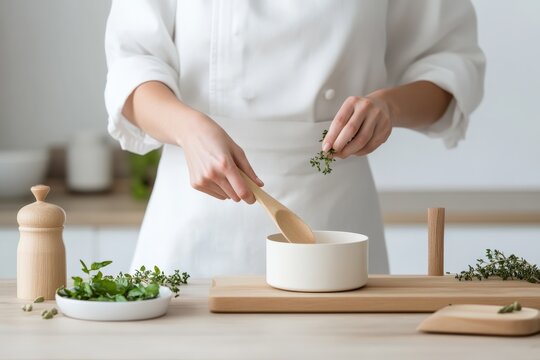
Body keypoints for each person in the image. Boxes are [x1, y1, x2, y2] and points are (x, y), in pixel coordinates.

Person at [104, 1, 485, 277]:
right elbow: (132, 64)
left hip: (335, 214)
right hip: (197, 209)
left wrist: (389, 107)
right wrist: (188, 128)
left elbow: (451, 67)